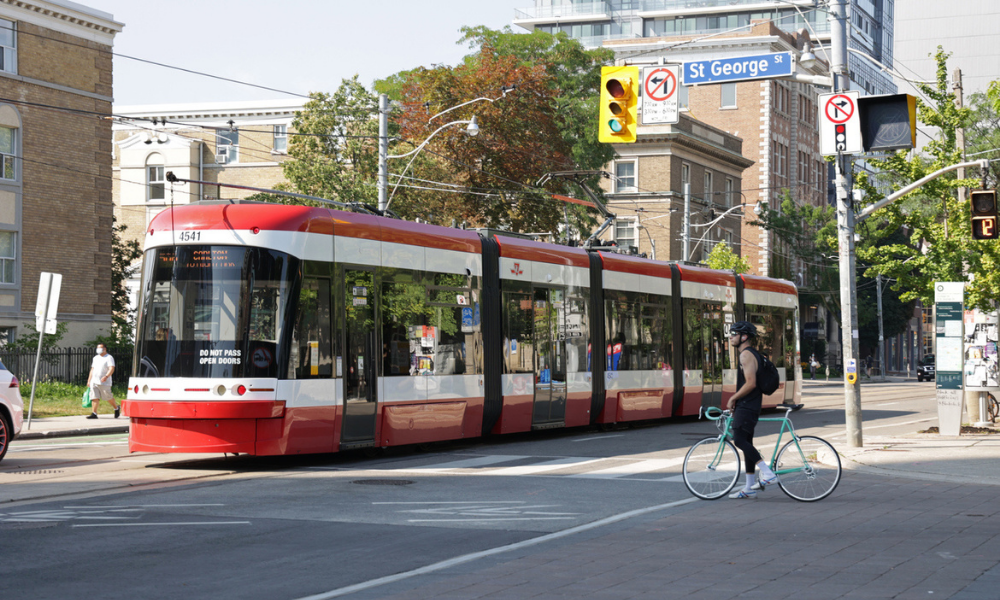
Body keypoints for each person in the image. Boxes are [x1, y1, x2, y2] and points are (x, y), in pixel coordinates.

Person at [725, 321, 779, 499]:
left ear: (744, 336)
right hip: (750, 405)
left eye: (734, 333)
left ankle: (768, 473)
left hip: (747, 405)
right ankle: (748, 487)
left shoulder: (746, 355)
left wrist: (733, 398)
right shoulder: (752, 354)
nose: (730, 336)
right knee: (747, 444)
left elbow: (751, 383)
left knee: (739, 440)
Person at [86, 343, 119, 419]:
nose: (98, 349)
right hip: (94, 381)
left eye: (100, 348)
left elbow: (111, 368)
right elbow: (92, 369)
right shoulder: (95, 358)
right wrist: (89, 380)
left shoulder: (109, 357)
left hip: (104, 382)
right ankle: (94, 413)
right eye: (97, 348)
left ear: (104, 349)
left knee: (108, 397)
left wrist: (106, 376)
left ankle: (116, 408)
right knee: (94, 397)